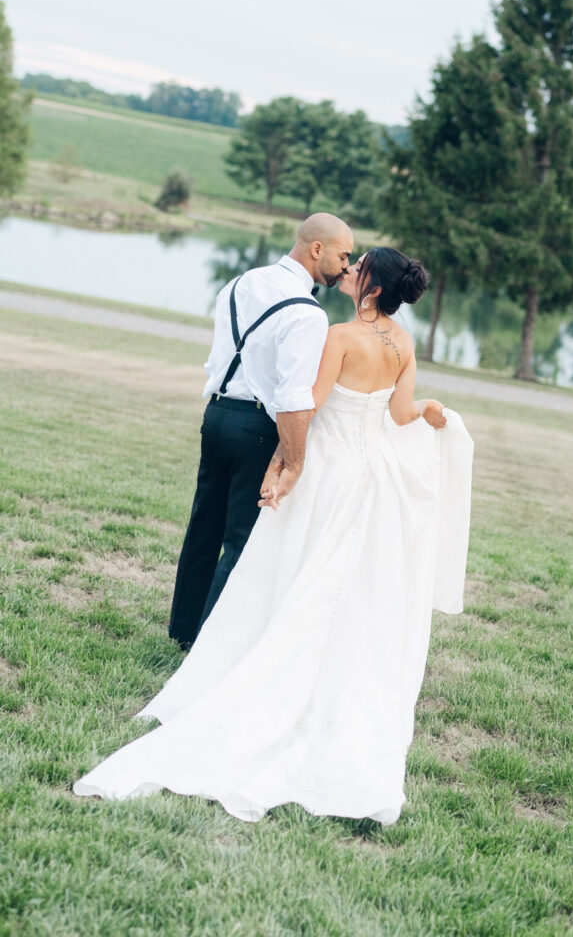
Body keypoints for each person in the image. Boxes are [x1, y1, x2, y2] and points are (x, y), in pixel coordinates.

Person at [74, 246, 473, 826]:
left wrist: (283, 465)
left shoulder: (339, 336)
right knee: (338, 573)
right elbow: (401, 414)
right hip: (369, 475)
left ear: (370, 286)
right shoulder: (404, 344)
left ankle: (265, 658)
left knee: (292, 562)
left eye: (357, 266)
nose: (349, 268)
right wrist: (433, 407)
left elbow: (306, 406)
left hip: (329, 466)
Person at [168, 212, 353, 648]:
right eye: (343, 256)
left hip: (215, 415)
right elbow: (292, 398)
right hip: (256, 428)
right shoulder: (308, 314)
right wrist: (295, 461)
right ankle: (206, 648)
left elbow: (220, 357)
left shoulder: (239, 284)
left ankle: (181, 631)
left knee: (203, 529)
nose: (347, 266)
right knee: (240, 543)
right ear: (317, 249)